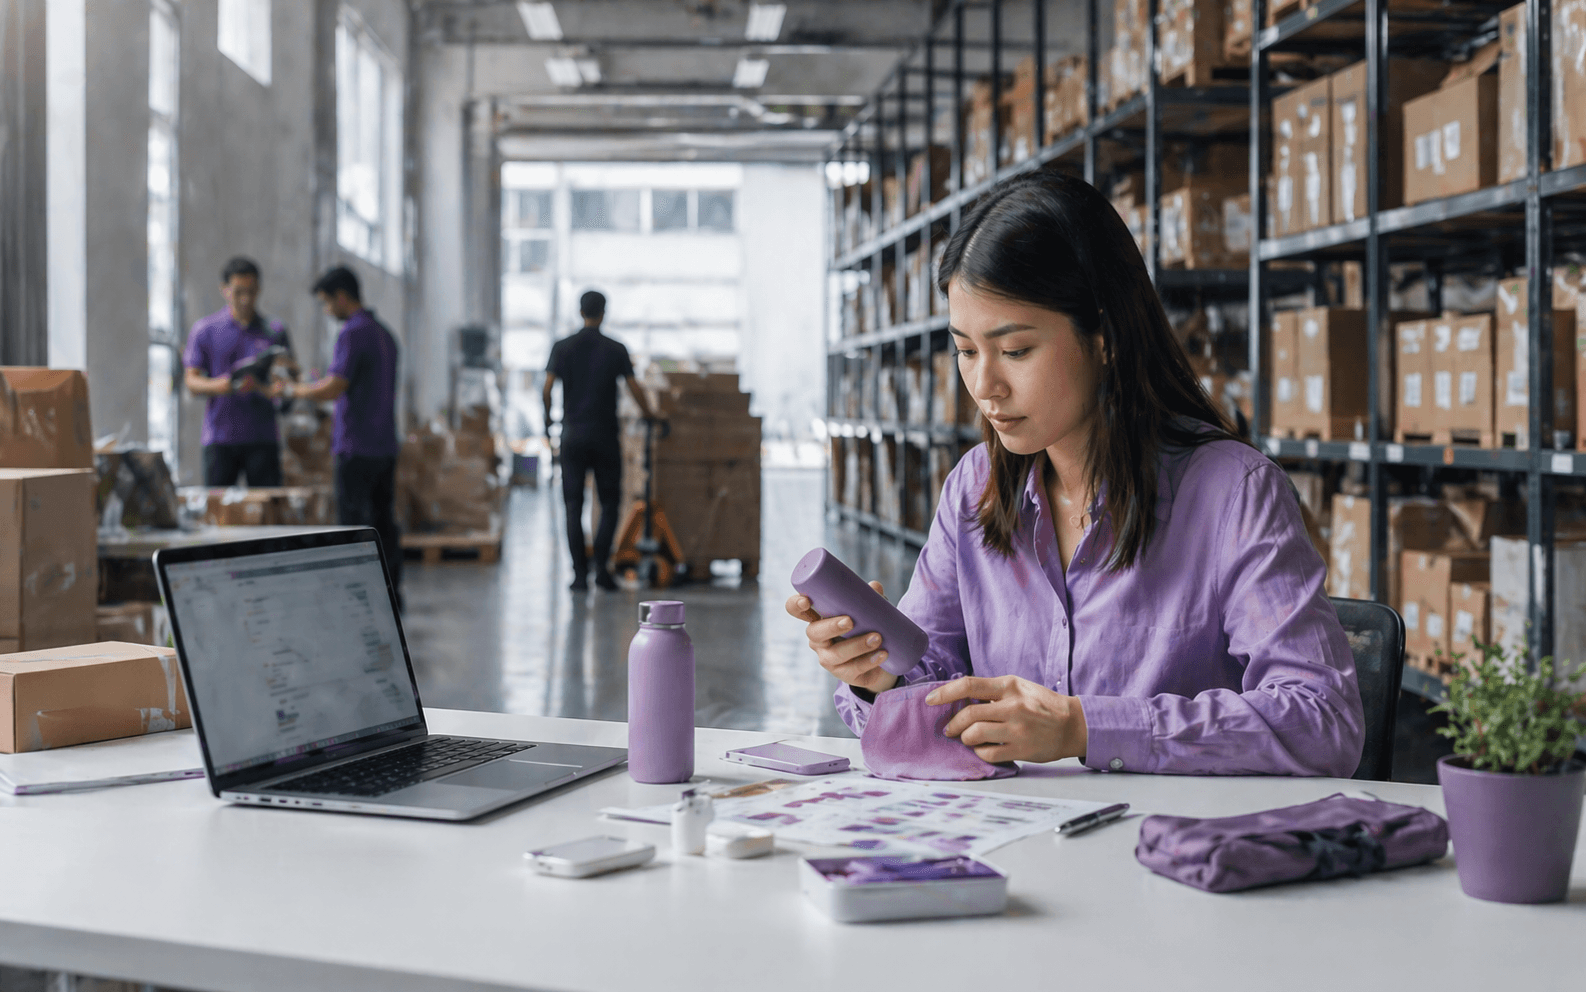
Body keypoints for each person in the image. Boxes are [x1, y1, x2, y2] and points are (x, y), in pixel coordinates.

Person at [786, 172, 1365, 777]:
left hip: (1169, 848)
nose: (985, 387)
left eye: (1014, 351)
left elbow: (1322, 722)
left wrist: (1084, 727)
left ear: (1105, 336)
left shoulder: (1233, 493)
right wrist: (881, 677)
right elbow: (938, 685)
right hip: (1020, 843)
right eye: (965, 350)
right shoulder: (973, 488)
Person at [286, 266, 403, 599]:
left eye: (326, 303)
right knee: (383, 521)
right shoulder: (385, 334)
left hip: (356, 446)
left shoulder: (353, 333)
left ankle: (357, 594)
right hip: (384, 445)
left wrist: (294, 390)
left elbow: (334, 387)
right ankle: (391, 592)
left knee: (352, 523)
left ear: (341, 297)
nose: (327, 311)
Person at [543, 290, 659, 592]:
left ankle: (579, 575)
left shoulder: (562, 347)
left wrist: (547, 424)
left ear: (579, 311)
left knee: (573, 505)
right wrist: (650, 415)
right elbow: (634, 388)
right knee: (609, 503)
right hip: (605, 436)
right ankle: (603, 572)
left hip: (572, 436)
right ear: (604, 312)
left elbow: (546, 389)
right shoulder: (616, 349)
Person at [183, 256, 298, 487]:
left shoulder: (275, 331)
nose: (246, 299)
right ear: (224, 290)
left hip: (263, 438)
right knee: (218, 515)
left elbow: (291, 380)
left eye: (252, 291)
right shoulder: (205, 331)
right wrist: (225, 385)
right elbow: (191, 381)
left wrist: (273, 388)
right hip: (220, 439)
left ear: (259, 290)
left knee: (268, 514)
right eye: (238, 292)